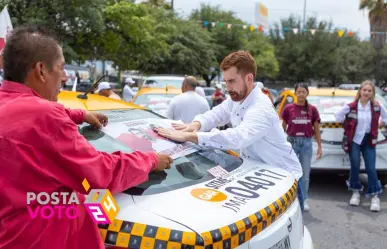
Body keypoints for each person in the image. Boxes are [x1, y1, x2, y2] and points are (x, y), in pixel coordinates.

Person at [0, 26, 173, 249]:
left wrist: (79, 114)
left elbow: (29, 117)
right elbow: (99, 174)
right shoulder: (46, 116)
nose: (65, 76)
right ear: (41, 70)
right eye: (61, 68)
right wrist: (149, 160)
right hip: (44, 238)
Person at [155, 51, 304, 210]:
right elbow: (218, 113)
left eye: (232, 81)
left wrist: (191, 136)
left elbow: (238, 137)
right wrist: (196, 124)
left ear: (249, 78)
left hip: (285, 180)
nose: (228, 88)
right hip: (261, 176)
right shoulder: (239, 97)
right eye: (226, 82)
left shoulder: (261, 107)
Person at [335, 80, 387, 212]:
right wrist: (345, 122)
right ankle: (356, 192)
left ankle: (374, 195)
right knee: (355, 165)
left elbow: (386, 118)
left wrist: (379, 123)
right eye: (365, 90)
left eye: (369, 91)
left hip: (369, 140)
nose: (367, 93)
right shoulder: (351, 106)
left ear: (372, 93)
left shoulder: (377, 106)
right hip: (354, 140)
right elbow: (338, 116)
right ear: (360, 91)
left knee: (370, 168)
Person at [281, 83, 323, 212]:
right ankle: (291, 198)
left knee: (305, 173)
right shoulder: (288, 108)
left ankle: (303, 199)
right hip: (292, 142)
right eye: (298, 92)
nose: (301, 94)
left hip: (306, 143)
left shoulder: (312, 109)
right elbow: (283, 126)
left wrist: (320, 146)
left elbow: (316, 128)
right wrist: (280, 144)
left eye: (303, 92)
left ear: (307, 93)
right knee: (290, 172)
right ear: (295, 93)